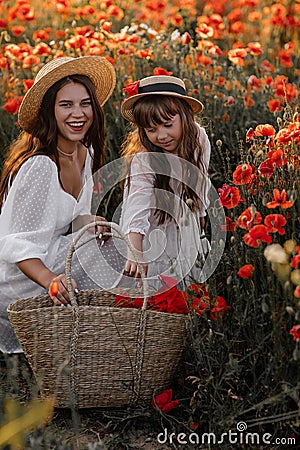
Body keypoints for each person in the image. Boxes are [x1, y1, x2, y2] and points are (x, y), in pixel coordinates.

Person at [0, 55, 123, 354]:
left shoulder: (85, 152)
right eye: (65, 105)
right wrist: (53, 281)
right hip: (21, 279)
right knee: (105, 253)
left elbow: (73, 216)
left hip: (53, 256)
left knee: (116, 240)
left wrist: (93, 222)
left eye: (85, 103)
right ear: (49, 112)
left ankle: (108, 333)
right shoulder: (40, 166)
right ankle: (95, 337)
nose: (77, 113)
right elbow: (16, 247)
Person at [119, 75, 211, 290]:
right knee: (153, 289)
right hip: (149, 231)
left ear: (185, 117)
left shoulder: (199, 139)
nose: (161, 136)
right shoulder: (144, 156)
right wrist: (135, 251)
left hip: (184, 224)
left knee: (188, 286)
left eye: (168, 125)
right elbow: (138, 203)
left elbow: (200, 182)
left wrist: (200, 220)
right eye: (151, 130)